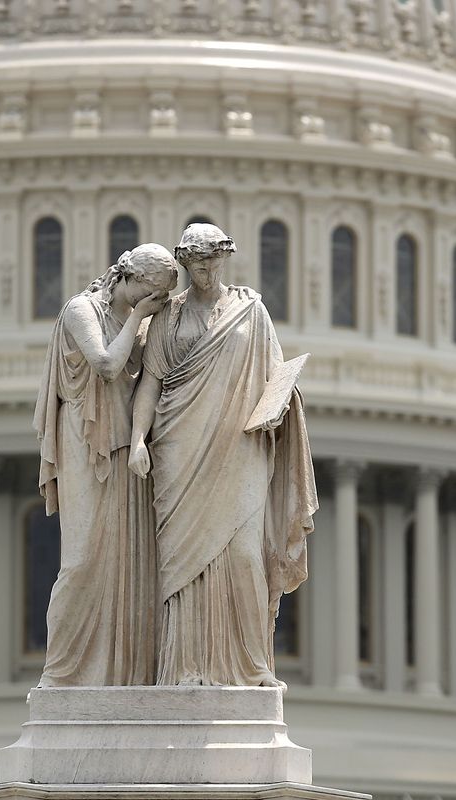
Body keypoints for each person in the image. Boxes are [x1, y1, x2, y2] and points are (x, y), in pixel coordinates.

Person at [130, 224, 317, 687]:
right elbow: (150, 383)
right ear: (184, 264)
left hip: (241, 444)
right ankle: (185, 668)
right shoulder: (167, 318)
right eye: (196, 263)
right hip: (179, 447)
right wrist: (137, 440)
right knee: (181, 564)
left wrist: (279, 407)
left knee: (243, 556)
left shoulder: (250, 312)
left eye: (213, 261)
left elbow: (277, 376)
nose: (206, 270)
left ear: (225, 260)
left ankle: (251, 666)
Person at [33, 243, 178, 686]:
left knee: (127, 562)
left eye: (158, 298)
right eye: (148, 293)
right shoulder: (82, 310)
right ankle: (62, 672)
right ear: (127, 278)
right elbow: (106, 365)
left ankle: (122, 674)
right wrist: (139, 318)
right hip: (86, 441)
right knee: (81, 561)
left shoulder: (140, 322)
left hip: (123, 449)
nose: (150, 303)